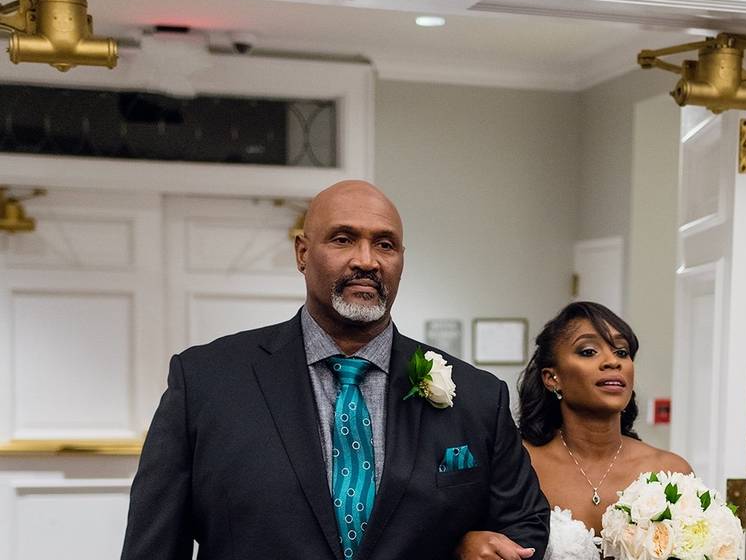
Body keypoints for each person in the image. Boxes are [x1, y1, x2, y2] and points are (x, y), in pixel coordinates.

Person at [121, 180, 549, 560]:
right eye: (343, 239)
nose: (367, 260)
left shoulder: (477, 395)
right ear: (303, 253)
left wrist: (468, 547)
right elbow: (155, 545)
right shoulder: (205, 382)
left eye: (385, 245)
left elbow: (525, 524)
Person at [517, 302, 691, 558]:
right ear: (552, 378)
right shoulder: (519, 465)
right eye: (588, 351)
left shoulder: (671, 473)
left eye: (622, 352)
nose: (612, 362)